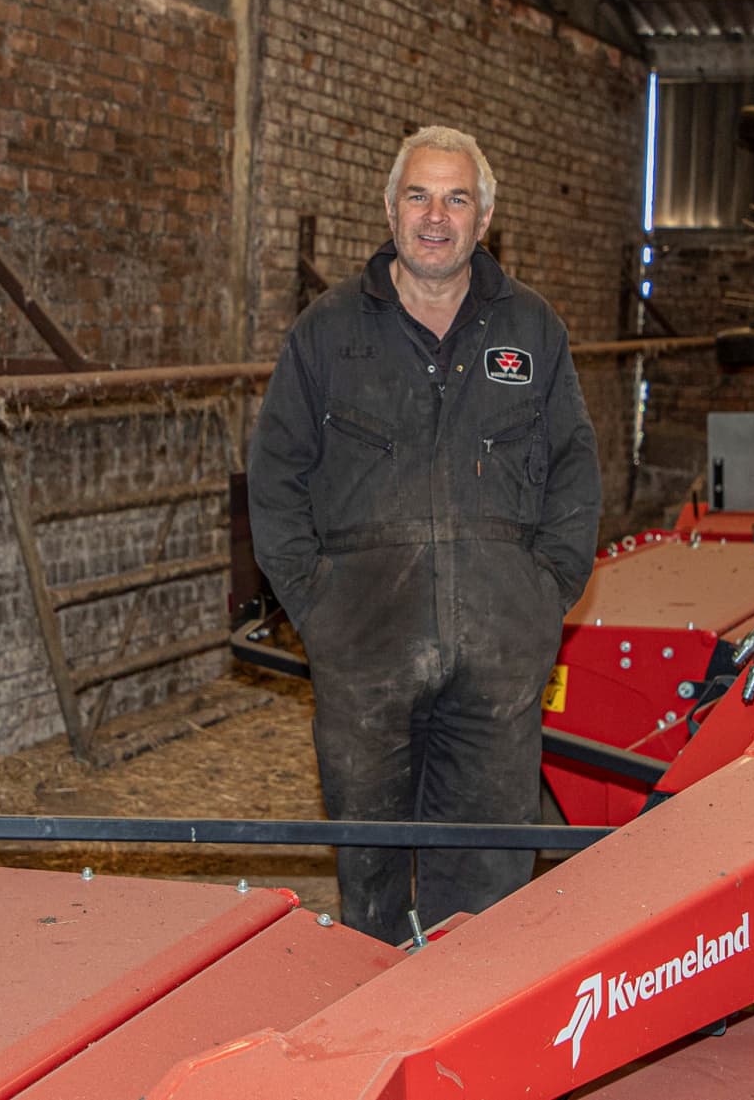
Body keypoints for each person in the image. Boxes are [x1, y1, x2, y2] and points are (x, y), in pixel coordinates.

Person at [247, 125, 602, 944]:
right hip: (366, 655)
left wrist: (542, 595)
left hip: (500, 660)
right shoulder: (327, 334)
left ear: (484, 219)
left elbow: (576, 475)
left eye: (455, 198)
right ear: (389, 210)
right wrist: (321, 613)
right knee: (369, 874)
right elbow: (275, 482)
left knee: (487, 877)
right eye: (418, 195)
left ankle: (468, 1041)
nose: (434, 216)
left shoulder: (533, 331)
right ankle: (375, 1040)